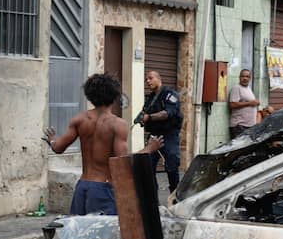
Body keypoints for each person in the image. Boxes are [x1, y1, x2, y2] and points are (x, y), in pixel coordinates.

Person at [43, 74, 162, 215]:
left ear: (90, 96)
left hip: (82, 186)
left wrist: (52, 139)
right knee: (100, 234)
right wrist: (149, 148)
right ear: (114, 96)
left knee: (79, 233)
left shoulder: (79, 120)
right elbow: (123, 163)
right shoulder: (117, 124)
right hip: (103, 189)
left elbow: (57, 148)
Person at [137, 70, 183, 194]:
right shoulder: (150, 98)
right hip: (154, 136)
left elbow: (167, 113)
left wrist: (149, 117)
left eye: (150, 78)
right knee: (148, 168)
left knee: (172, 167)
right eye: (146, 79)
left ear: (159, 79)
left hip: (169, 135)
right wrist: (141, 119)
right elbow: (144, 113)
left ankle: (175, 197)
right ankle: (153, 199)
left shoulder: (169, 94)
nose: (148, 81)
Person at [228, 68, 260, 139]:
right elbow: (232, 104)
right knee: (239, 149)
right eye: (243, 76)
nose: (245, 78)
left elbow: (250, 103)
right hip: (239, 126)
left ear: (250, 78)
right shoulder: (236, 88)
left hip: (249, 126)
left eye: (247, 76)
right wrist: (249, 103)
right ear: (239, 77)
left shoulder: (248, 88)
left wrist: (256, 103)